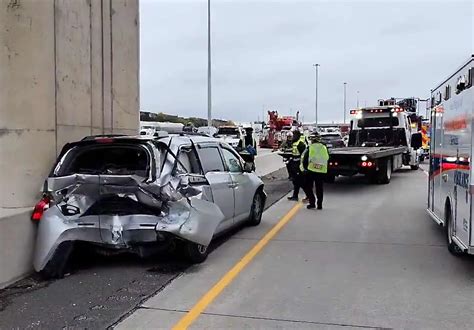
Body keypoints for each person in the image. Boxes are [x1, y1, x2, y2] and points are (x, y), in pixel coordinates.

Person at [301, 132, 329, 209]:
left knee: (307, 186)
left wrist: (304, 169)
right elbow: (327, 158)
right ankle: (319, 204)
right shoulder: (324, 147)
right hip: (322, 170)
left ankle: (312, 202)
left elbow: (305, 160)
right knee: (319, 188)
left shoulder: (310, 147)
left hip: (312, 170)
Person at [287, 130, 307, 201]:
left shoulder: (300, 144)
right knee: (295, 181)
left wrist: (302, 166)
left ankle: (308, 195)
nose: (293, 137)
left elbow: (304, 156)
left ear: (297, 136)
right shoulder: (294, 143)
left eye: (294, 135)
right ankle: (295, 196)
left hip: (299, 164)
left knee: (300, 181)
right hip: (294, 163)